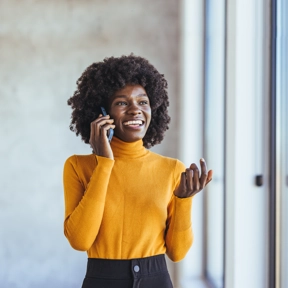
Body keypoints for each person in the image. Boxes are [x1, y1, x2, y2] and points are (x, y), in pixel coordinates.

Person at [63, 54, 212, 288]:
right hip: (102, 280)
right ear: (102, 113)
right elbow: (80, 241)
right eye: (122, 103)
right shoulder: (78, 166)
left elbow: (177, 253)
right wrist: (104, 164)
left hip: (157, 279)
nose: (135, 110)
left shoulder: (172, 169)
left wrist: (183, 200)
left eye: (143, 102)